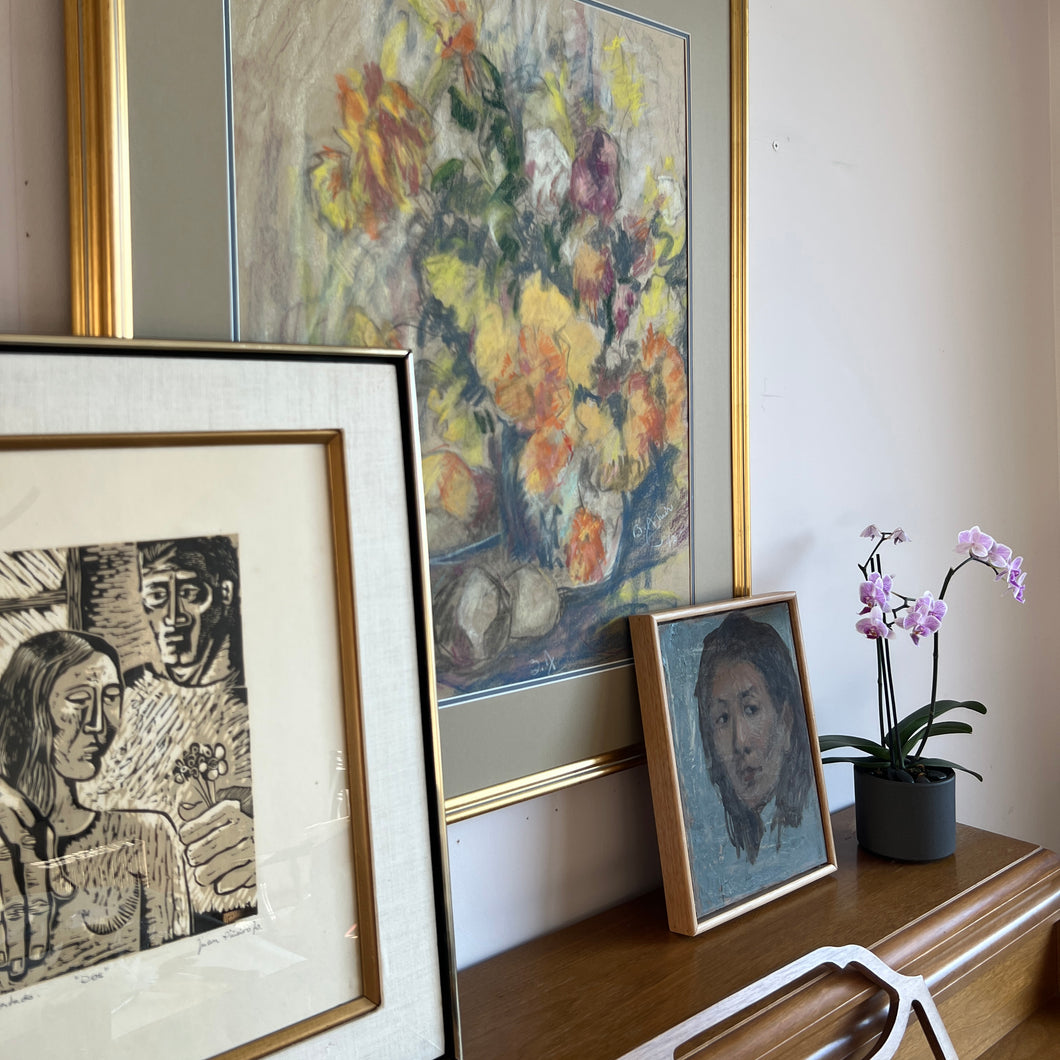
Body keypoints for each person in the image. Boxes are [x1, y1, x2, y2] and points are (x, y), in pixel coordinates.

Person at [0, 630, 190, 992]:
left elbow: (177, 978)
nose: (99, 724)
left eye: (111, 698)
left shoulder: (146, 836)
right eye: (78, 699)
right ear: (26, 710)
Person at [82, 536, 256, 928]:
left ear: (225, 594)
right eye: (157, 596)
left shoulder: (258, 707)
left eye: (191, 592)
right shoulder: (118, 703)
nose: (173, 616)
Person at [694, 612, 814, 864]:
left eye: (751, 709)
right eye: (723, 718)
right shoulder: (716, 853)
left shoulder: (805, 839)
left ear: (786, 721)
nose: (740, 743)